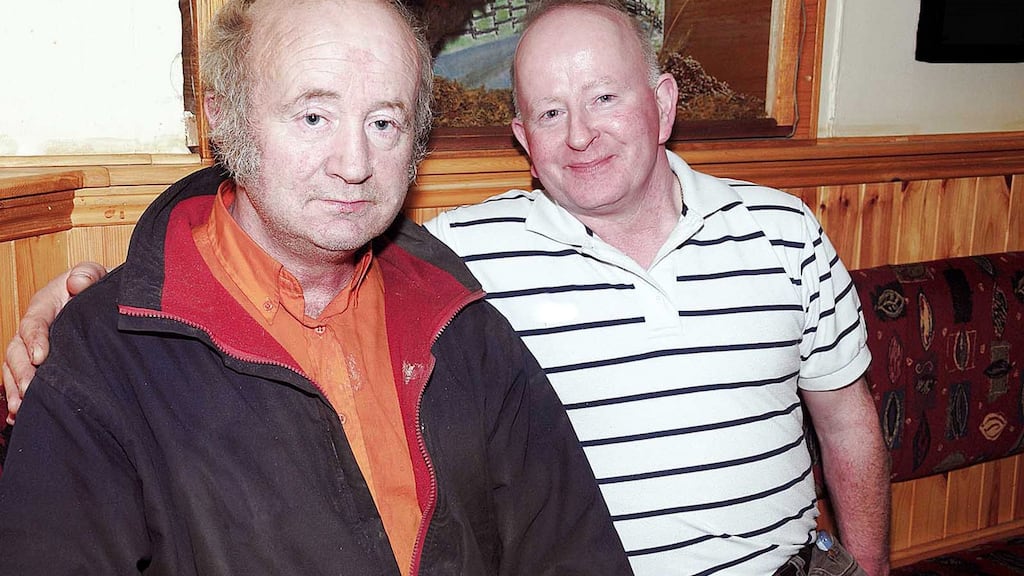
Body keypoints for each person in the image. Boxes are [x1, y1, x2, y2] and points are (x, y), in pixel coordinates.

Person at [3, 0, 891, 575]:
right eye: (313, 115)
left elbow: (845, 423)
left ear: (664, 102)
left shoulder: (456, 302)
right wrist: (85, 303)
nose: (353, 162)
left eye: (384, 121)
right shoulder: (479, 260)